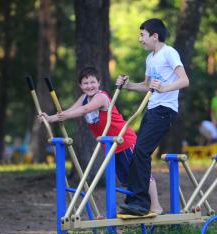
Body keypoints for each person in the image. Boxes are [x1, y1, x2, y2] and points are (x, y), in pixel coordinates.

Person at [39, 66, 163, 214]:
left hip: (124, 141)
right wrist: (50, 118)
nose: (89, 86)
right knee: (126, 179)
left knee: (140, 174)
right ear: (80, 86)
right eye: (85, 83)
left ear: (99, 83)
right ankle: (138, 205)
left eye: (92, 82)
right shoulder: (83, 98)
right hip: (111, 145)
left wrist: (64, 116)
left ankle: (156, 206)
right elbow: (70, 111)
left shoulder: (101, 97)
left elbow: (84, 110)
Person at [115, 18, 189, 216]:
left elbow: (184, 80)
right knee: (138, 152)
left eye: (142, 35)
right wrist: (127, 85)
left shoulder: (169, 53)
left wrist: (164, 88)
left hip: (165, 110)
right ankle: (136, 200)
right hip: (152, 109)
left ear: (154, 36)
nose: (140, 39)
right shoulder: (150, 58)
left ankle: (140, 202)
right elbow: (147, 86)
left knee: (140, 151)